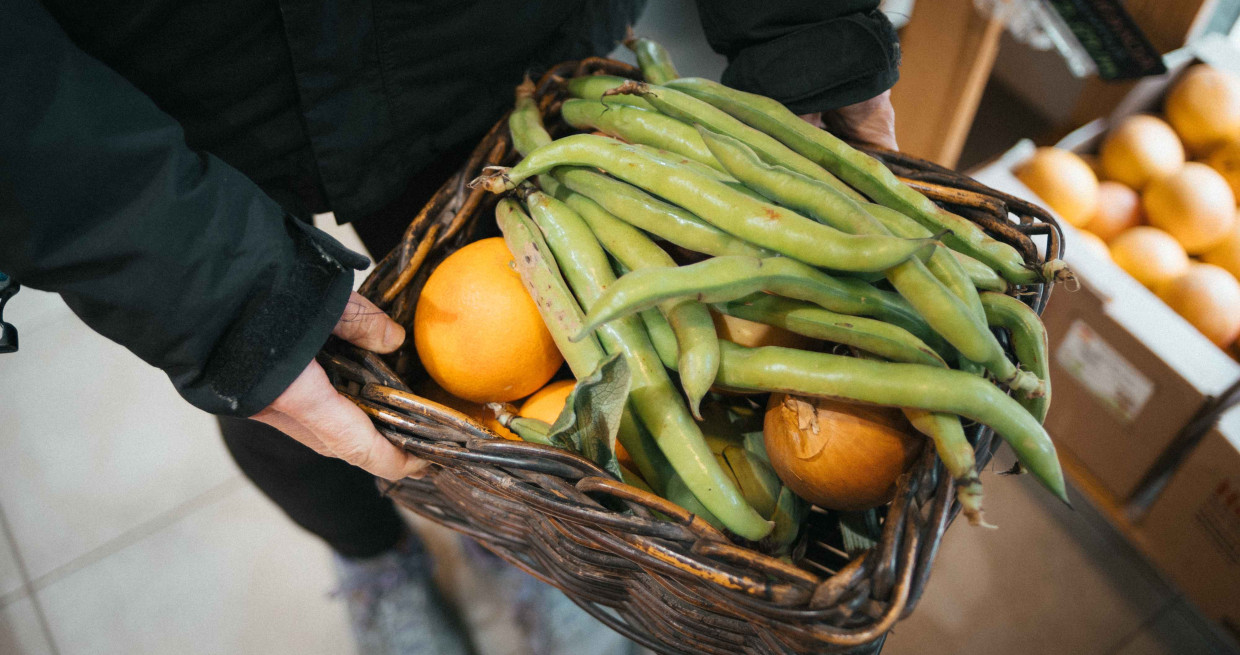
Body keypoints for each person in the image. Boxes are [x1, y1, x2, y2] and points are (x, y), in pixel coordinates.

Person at [0, 1, 900, 653]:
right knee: (283, 380)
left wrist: (803, 22)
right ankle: (376, 560)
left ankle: (525, 544)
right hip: (172, 80)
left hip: (481, 34)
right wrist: (206, 289)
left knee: (482, 364)